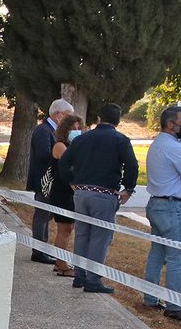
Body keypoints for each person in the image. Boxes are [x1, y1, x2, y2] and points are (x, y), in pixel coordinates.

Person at [59, 103, 139, 294]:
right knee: (100, 238)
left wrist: (70, 181)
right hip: (105, 194)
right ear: (118, 121)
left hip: (81, 193)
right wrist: (128, 188)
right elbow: (132, 166)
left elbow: (64, 162)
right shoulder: (121, 140)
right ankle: (93, 279)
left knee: (82, 234)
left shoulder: (82, 139)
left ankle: (79, 275)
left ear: (98, 118)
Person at [142, 105, 181, 323]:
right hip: (172, 207)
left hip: (157, 204)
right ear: (171, 124)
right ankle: (175, 306)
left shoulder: (159, 143)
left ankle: (150, 298)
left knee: (157, 254)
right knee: (178, 257)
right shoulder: (174, 148)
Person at [26, 99, 76, 264]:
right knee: (42, 214)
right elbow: (43, 155)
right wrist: (60, 153)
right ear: (59, 114)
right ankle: (38, 251)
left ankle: (43, 248)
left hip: (52, 181)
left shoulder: (53, 131)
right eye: (68, 116)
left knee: (47, 215)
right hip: (44, 181)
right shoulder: (44, 130)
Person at [44, 115, 84, 276]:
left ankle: (60, 263)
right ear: (65, 130)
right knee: (64, 229)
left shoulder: (75, 146)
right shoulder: (60, 145)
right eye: (72, 129)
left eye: (78, 128)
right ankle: (61, 264)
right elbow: (72, 166)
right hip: (62, 192)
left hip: (70, 192)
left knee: (68, 228)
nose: (76, 131)